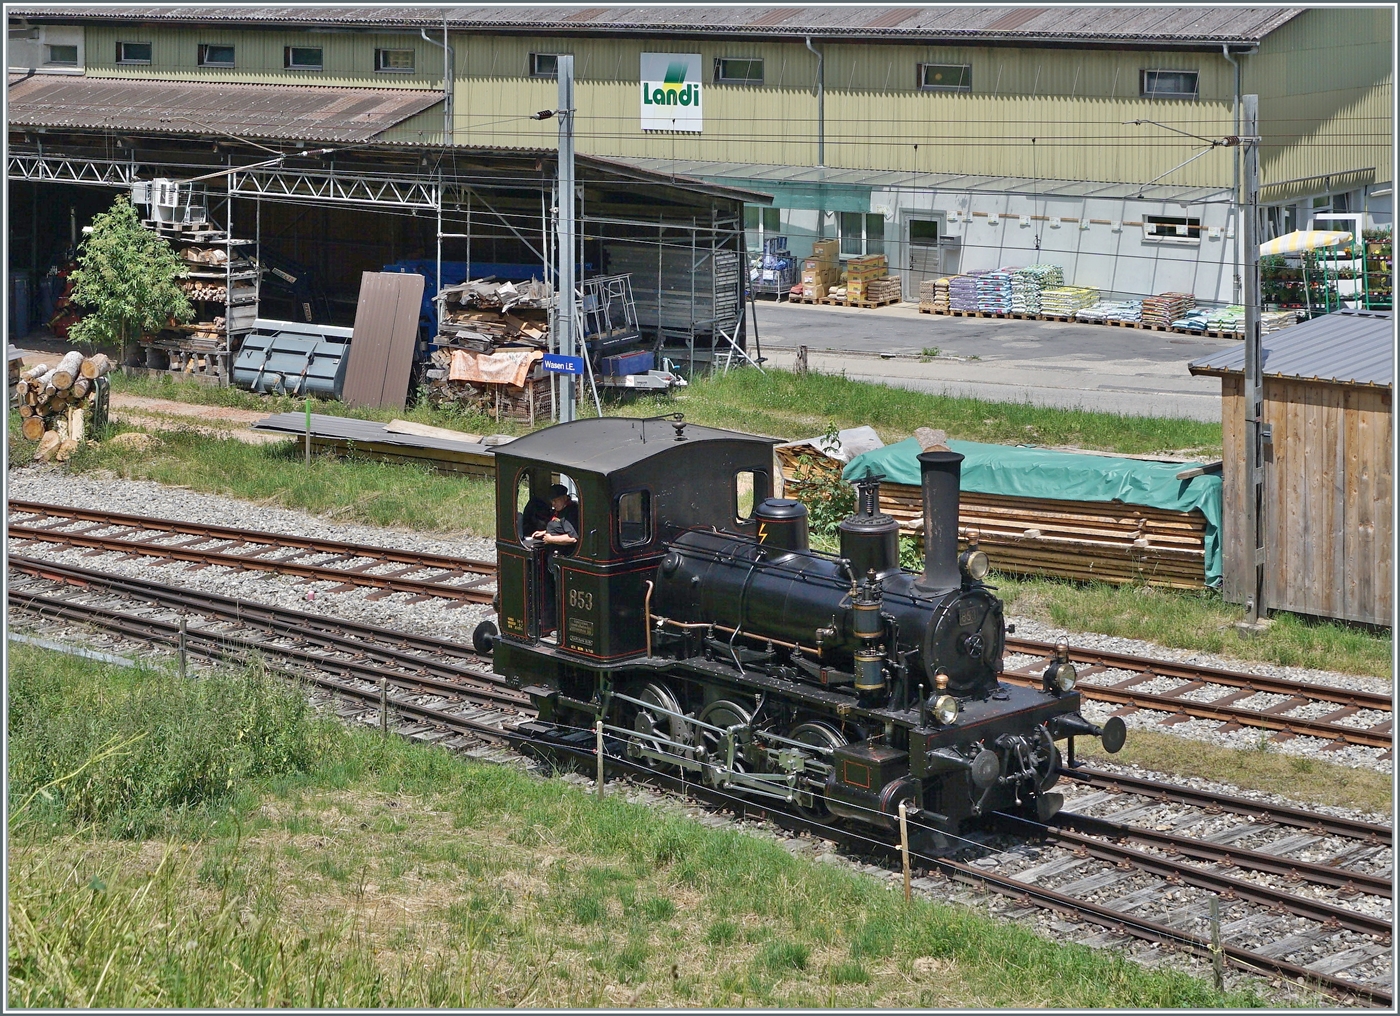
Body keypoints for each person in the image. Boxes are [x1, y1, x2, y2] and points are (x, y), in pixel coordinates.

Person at [533, 483, 579, 550]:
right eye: (551, 501)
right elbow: (560, 528)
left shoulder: (570, 513)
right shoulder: (560, 509)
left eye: (555, 500)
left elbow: (572, 538)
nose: (553, 504)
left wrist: (551, 539)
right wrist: (544, 532)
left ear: (565, 498)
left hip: (561, 554)